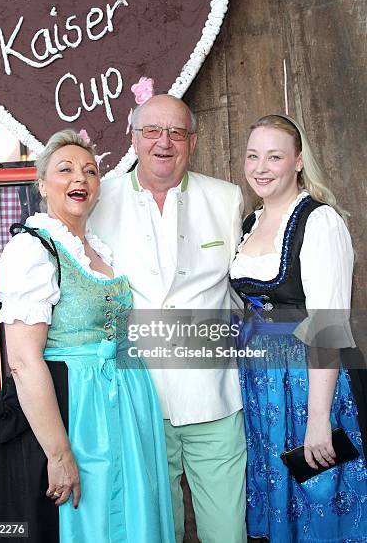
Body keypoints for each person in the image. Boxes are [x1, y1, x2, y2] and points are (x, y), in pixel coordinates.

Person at [0, 130, 175, 543]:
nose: (79, 178)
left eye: (89, 170)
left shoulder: (100, 250)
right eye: (65, 169)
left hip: (123, 404)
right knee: (81, 519)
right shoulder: (32, 249)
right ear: (42, 184)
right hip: (75, 410)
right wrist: (58, 452)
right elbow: (23, 360)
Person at [89, 94, 247, 543]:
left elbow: (242, 293)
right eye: (152, 131)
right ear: (133, 139)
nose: (164, 142)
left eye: (176, 132)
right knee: (156, 531)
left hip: (213, 396)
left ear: (192, 142)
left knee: (227, 532)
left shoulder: (227, 199)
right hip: (139, 400)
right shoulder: (101, 198)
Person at [230, 114, 367, 542]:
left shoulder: (319, 222)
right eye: (253, 156)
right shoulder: (250, 223)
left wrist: (318, 418)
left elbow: (327, 327)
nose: (261, 167)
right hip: (260, 382)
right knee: (280, 499)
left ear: (298, 161)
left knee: (317, 490)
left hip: (308, 382)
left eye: (274, 156)